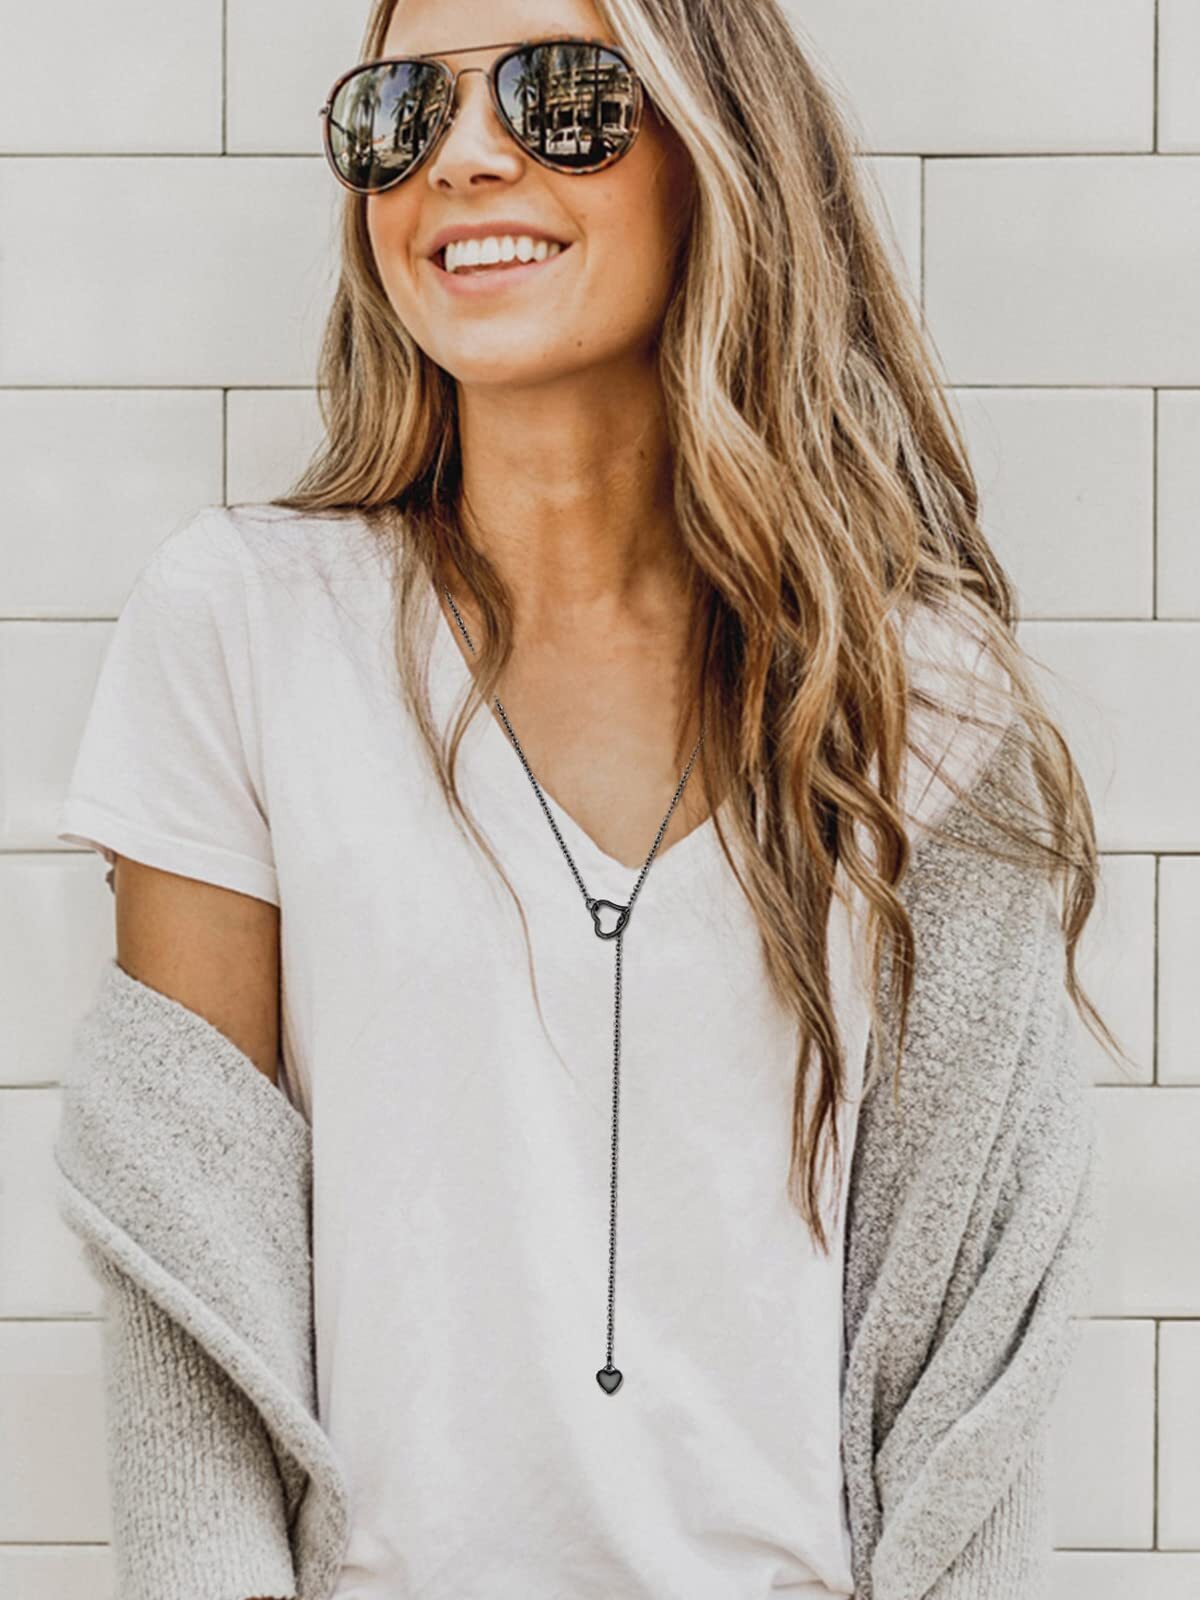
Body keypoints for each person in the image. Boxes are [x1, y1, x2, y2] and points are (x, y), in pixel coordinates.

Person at [55, 2, 1120, 1596]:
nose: (462, 158)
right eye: (402, 111)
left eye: (560, 95)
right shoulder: (245, 627)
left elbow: (970, 1385)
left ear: (718, 149)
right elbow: (191, 1292)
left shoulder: (920, 700)